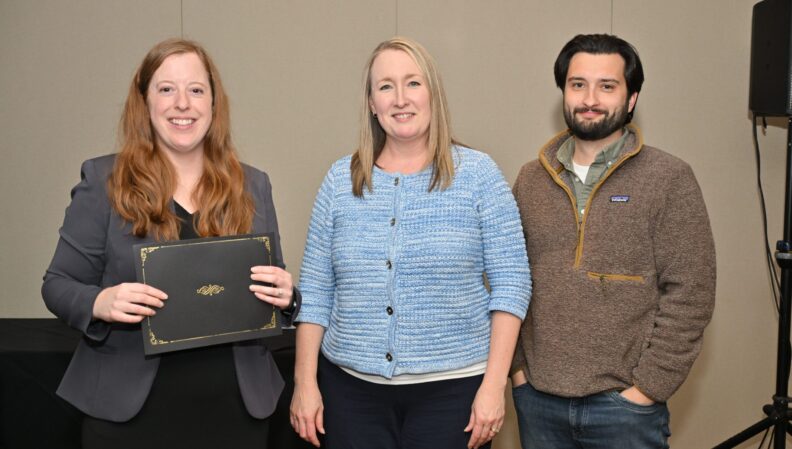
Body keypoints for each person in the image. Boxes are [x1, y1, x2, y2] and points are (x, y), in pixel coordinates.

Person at [41, 38, 299, 449]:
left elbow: (272, 286)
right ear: (144, 102)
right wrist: (99, 303)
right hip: (128, 418)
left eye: (196, 90)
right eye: (166, 89)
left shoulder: (253, 185)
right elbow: (57, 283)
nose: (183, 103)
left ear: (214, 104)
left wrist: (288, 297)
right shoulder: (104, 181)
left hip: (234, 414)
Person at [290, 36, 531, 449]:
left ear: (433, 93)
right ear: (371, 102)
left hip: (454, 394)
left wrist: (495, 387)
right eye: (386, 86)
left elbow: (512, 285)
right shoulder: (339, 181)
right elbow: (315, 291)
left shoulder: (478, 175)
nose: (401, 99)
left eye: (413, 83)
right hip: (349, 394)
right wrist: (304, 383)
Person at [510, 33, 716, 449]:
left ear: (632, 97)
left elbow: (691, 292)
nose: (590, 98)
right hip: (537, 401)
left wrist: (647, 389)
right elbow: (508, 279)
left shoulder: (669, 178)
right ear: (563, 92)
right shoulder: (530, 180)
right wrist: (518, 373)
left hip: (625, 411)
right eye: (578, 84)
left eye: (607, 86)